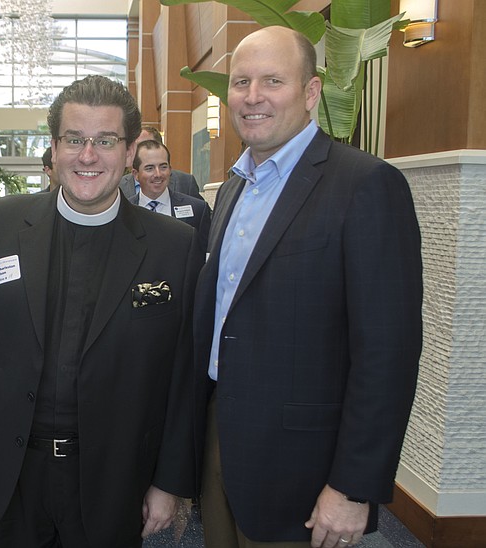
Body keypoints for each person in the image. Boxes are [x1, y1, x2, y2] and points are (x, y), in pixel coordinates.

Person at [0, 75, 202, 547]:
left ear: (130, 149)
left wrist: (169, 481)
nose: (88, 155)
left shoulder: (173, 246)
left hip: (117, 479)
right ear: (54, 148)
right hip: (10, 473)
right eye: (74, 139)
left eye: (105, 140)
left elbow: (185, 375)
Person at [194, 26, 422, 548]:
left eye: (273, 80)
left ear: (312, 92)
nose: (253, 97)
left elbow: (388, 353)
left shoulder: (365, 185)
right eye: (241, 82)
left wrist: (353, 486)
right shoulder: (231, 189)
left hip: (303, 464)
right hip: (219, 433)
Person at [130, 139, 211, 256]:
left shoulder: (198, 210)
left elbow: (205, 257)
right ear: (136, 174)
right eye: (149, 168)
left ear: (170, 169)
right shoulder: (124, 212)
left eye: (163, 167)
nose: (158, 174)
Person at [119, 125, 200, 199]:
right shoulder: (119, 185)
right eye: (135, 147)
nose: (139, 151)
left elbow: (202, 212)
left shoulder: (185, 182)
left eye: (148, 145)